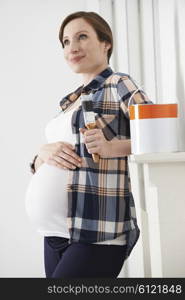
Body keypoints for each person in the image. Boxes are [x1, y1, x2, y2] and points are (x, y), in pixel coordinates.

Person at [25, 11, 152, 278]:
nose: (73, 47)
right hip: (55, 236)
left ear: (106, 42)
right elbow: (55, 158)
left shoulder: (118, 83)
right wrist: (41, 155)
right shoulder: (69, 101)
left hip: (95, 234)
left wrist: (111, 148)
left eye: (82, 37)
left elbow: (158, 134)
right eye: (66, 41)